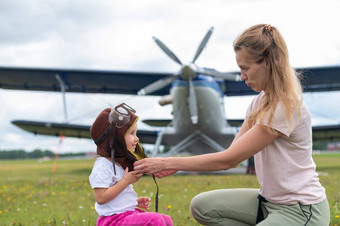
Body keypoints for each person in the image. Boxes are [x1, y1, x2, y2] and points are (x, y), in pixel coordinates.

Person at [134, 24, 330, 225]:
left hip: (300, 210)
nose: (242, 76)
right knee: (201, 206)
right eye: (240, 69)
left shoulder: (285, 104)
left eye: (246, 68)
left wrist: (168, 162)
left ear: (268, 62)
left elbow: (229, 160)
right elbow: (232, 156)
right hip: (267, 203)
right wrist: (175, 165)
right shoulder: (258, 102)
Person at [89, 103, 173, 226]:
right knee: (155, 220)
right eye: (131, 133)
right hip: (111, 220)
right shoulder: (102, 165)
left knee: (166, 219)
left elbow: (116, 198)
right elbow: (101, 198)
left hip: (125, 214)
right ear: (115, 138)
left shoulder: (118, 164)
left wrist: (134, 202)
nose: (137, 139)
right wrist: (125, 181)